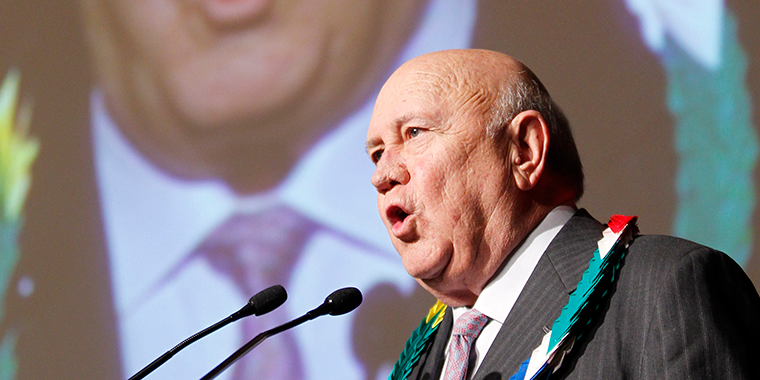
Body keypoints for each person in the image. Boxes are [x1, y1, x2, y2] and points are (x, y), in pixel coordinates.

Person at [366, 49, 760, 379]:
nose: (381, 175)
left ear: (523, 150)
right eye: (377, 153)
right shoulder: (424, 359)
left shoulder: (664, 287)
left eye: (414, 133)